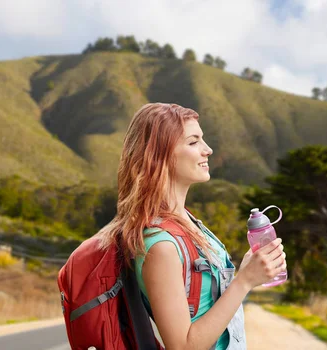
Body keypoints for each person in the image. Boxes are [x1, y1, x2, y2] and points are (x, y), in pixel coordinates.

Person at [93, 102, 287, 350]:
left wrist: (251, 270)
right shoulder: (160, 245)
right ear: (159, 155)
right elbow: (183, 346)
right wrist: (245, 281)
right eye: (193, 142)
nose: (208, 150)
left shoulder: (189, 223)